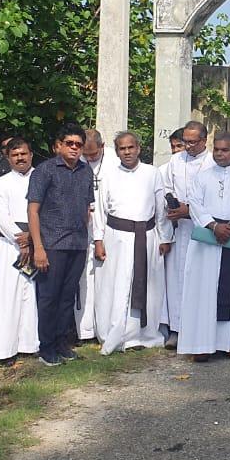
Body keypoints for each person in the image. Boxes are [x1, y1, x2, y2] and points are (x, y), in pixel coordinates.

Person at [179, 132, 230, 361]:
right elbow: (195, 204)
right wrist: (214, 225)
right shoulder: (202, 177)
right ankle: (202, 344)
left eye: (224, 150)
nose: (219, 154)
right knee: (204, 290)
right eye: (216, 149)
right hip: (208, 240)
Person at [27, 123, 95, 366]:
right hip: (51, 245)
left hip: (77, 244)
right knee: (49, 297)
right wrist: (39, 248)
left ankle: (61, 343)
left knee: (67, 297)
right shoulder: (44, 171)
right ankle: (46, 348)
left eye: (79, 144)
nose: (75, 148)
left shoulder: (86, 172)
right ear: (58, 146)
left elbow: (88, 208)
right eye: (70, 143)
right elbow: (33, 211)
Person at [92, 132, 166, 354]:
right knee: (117, 284)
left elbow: (160, 208)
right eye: (122, 149)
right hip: (117, 237)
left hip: (147, 236)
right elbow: (100, 210)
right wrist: (98, 239)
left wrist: (165, 236)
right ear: (116, 151)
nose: (127, 152)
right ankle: (114, 334)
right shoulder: (108, 176)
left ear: (138, 148)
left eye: (130, 147)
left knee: (145, 283)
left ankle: (141, 334)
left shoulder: (152, 173)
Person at [0, 138, 40, 365]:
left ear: (31, 154)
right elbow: (1, 217)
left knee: (32, 296)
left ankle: (30, 345)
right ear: (8, 158)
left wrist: (33, 238)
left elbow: (47, 210)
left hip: (38, 244)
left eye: (24, 154)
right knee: (7, 297)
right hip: (11, 246)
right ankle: (6, 350)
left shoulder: (42, 177)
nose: (20, 158)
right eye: (15, 155)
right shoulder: (2, 184)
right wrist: (22, 240)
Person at [158, 121, 213, 347]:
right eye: (185, 142)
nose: (188, 147)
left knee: (201, 280)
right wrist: (173, 205)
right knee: (177, 280)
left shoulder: (213, 162)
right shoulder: (175, 160)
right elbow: (167, 187)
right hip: (179, 230)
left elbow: (216, 199)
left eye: (192, 142)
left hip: (204, 230)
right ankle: (177, 329)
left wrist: (189, 210)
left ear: (204, 140)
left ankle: (201, 329)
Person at [77, 128, 119, 345]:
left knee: (106, 279)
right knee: (85, 280)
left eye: (94, 154)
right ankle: (85, 330)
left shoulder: (114, 161)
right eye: (87, 154)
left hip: (108, 225)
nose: (90, 158)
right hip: (84, 225)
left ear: (103, 147)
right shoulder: (78, 160)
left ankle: (106, 325)